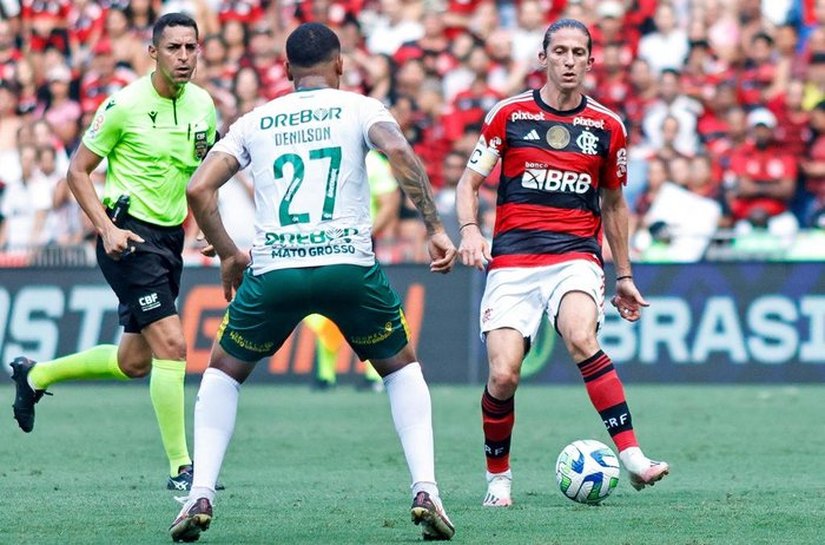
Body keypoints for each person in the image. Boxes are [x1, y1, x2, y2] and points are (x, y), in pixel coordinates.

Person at [168, 22, 456, 542]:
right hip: (348, 265)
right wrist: (435, 227)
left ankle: (200, 492)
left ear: (285, 71)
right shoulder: (361, 108)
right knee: (401, 368)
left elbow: (198, 188)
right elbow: (400, 154)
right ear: (340, 64)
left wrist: (231, 254)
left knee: (222, 374)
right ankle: (426, 489)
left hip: (276, 271)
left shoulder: (256, 120)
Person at [455, 18, 669, 508]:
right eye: (560, 52)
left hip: (575, 255)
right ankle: (499, 479)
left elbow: (614, 204)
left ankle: (632, 456)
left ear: (591, 61)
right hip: (512, 261)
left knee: (580, 336)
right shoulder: (508, 115)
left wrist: (625, 275)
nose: (569, 61)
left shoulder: (607, 127)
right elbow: (468, 184)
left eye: (578, 53)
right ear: (543, 57)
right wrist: (469, 230)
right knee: (504, 375)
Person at [8, 13, 217, 492]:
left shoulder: (204, 106)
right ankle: (182, 469)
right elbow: (77, 171)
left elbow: (203, 174)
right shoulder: (123, 105)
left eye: (191, 47)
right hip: (127, 237)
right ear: (153, 53)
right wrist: (104, 228)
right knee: (174, 346)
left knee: (135, 362)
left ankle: (36, 374)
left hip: (169, 240)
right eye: (174, 49)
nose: (184, 57)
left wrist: (207, 227)